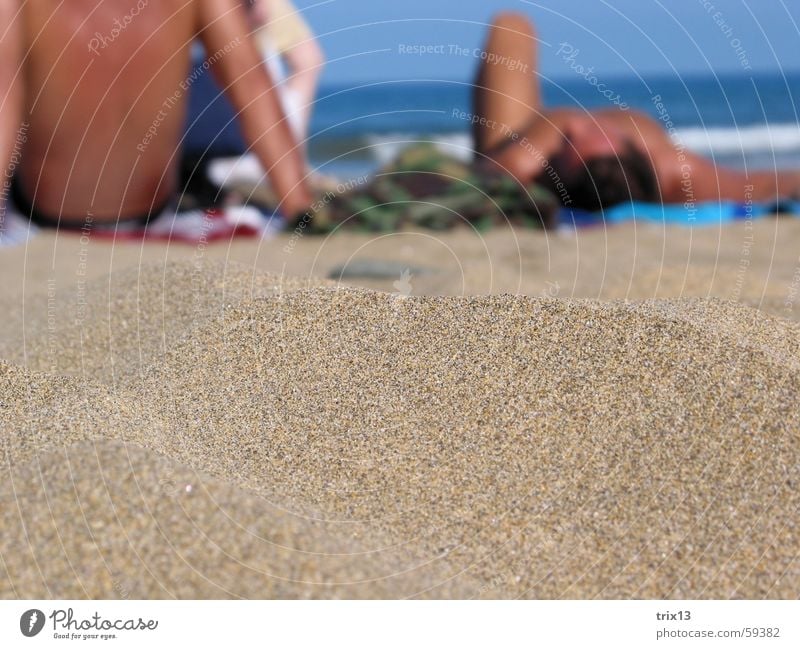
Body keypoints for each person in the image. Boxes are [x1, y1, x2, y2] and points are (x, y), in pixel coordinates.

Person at [0, 0, 312, 229]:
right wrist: (300, 207)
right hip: (151, 218)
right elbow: (252, 89)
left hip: (42, 219)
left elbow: (5, 109)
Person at [473, 12, 800, 211]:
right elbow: (760, 186)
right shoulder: (672, 169)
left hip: (516, 130)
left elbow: (475, 183)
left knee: (511, 25)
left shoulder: (524, 162)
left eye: (569, 140)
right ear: (634, 150)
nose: (577, 123)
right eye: (601, 135)